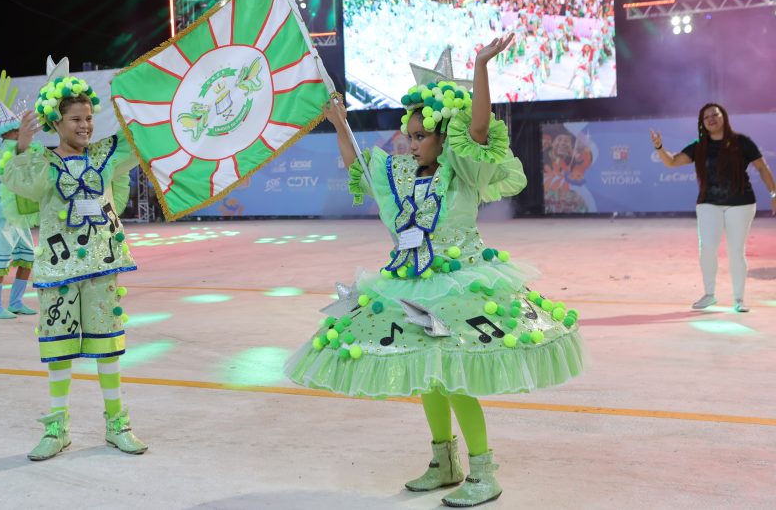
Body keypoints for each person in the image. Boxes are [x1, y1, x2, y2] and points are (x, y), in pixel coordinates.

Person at [286, 34, 586, 507]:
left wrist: (481, 66)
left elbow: (480, 128)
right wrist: (340, 123)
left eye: (421, 136)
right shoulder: (401, 175)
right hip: (411, 284)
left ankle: (483, 471)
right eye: (409, 136)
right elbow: (359, 165)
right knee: (428, 376)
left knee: (455, 376)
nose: (411, 144)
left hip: (461, 286)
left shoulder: (463, 170)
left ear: (445, 137)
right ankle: (444, 462)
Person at [2, 57, 146, 461]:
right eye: (76, 119)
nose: (85, 126)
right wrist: (21, 146)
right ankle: (58, 429)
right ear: (56, 122)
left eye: (88, 118)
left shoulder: (107, 154)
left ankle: (117, 425)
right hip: (57, 271)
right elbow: (16, 182)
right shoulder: (42, 163)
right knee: (58, 349)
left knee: (108, 347)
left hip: (102, 267)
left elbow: (143, 143)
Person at [651, 103, 776, 312]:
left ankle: (739, 299)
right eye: (706, 116)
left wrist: (774, 193)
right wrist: (659, 147)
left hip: (741, 203)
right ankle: (709, 294)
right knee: (707, 248)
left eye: (715, 114)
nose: (711, 118)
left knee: (736, 251)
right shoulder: (699, 146)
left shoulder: (742, 142)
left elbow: (762, 167)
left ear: (723, 117)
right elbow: (671, 162)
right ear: (702, 123)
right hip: (708, 202)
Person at [0, 104, 36, 318]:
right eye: (17, 130)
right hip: (1, 216)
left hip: (18, 214)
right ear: (8, 132)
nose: (20, 133)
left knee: (28, 256)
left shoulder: (17, 153)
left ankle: (16, 301)